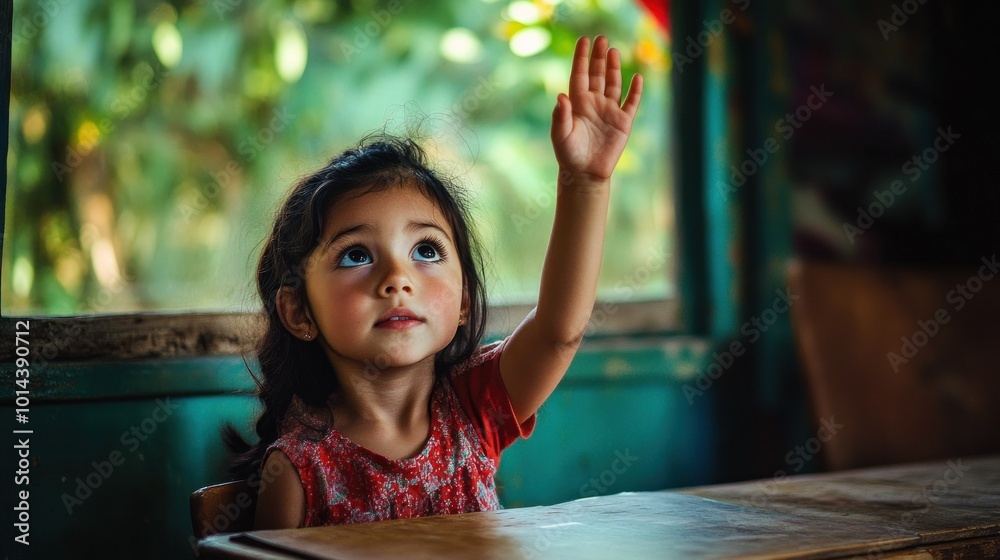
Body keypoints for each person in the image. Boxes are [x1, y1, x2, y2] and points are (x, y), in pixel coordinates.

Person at [223, 35, 642, 529]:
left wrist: (587, 182)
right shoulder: (297, 471)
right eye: (356, 255)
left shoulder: (474, 406)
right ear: (299, 312)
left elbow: (558, 330)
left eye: (426, 250)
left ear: (463, 298)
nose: (397, 278)